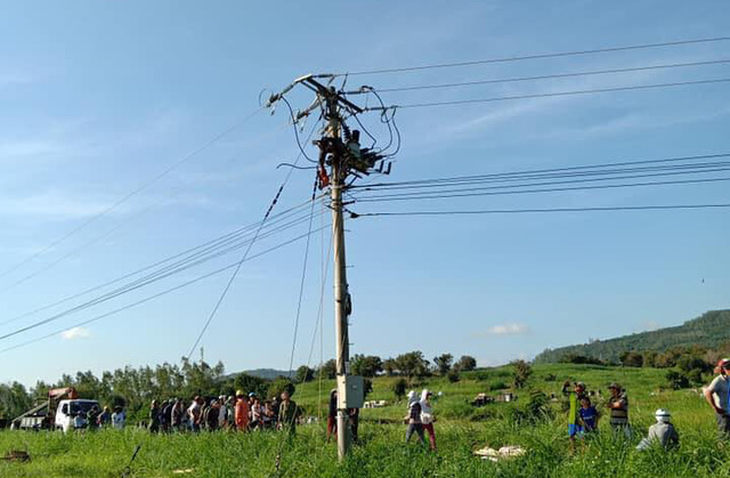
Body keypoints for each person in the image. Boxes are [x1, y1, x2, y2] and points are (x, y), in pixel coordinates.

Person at [703, 358, 730, 438]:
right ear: (722, 369)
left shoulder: (728, 379)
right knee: (723, 434)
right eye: (727, 367)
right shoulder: (718, 381)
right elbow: (708, 392)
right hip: (723, 413)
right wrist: (715, 407)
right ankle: (721, 449)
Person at [561, 380, 587, 446]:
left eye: (579, 386)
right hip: (572, 418)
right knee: (571, 435)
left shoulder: (584, 397)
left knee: (582, 436)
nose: (577, 387)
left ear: (582, 389)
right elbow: (563, 392)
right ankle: (573, 450)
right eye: (576, 386)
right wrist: (564, 385)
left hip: (581, 419)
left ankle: (583, 451)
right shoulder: (572, 394)